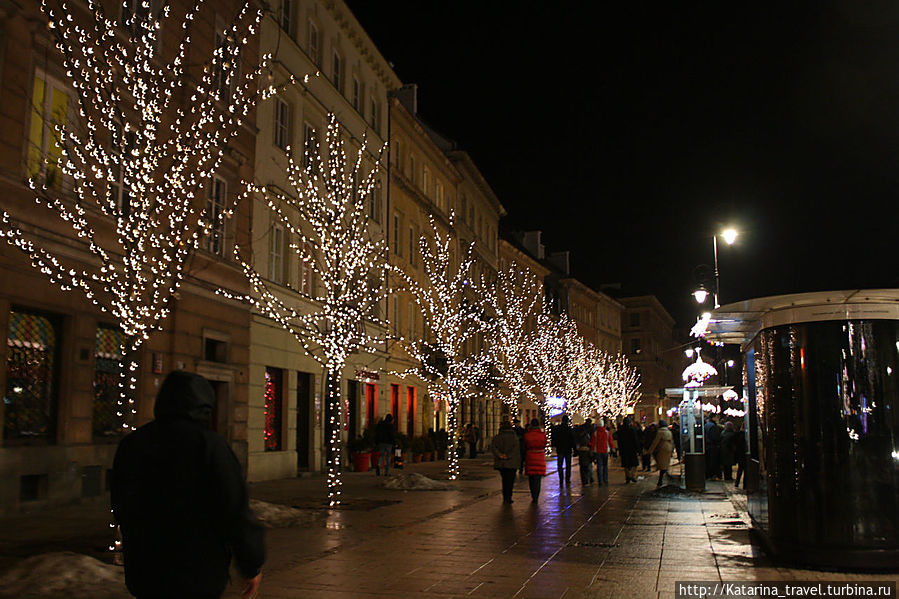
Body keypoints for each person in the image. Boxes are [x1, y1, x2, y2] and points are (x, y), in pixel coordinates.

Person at [111, 371, 264, 599]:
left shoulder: (133, 443)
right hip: (198, 569)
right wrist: (251, 564)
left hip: (146, 568)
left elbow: (121, 502)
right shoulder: (210, 446)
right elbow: (235, 509)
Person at [491, 420, 522, 503]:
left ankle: (505, 496)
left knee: (504, 479)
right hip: (512, 462)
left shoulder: (497, 437)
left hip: (501, 463)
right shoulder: (514, 437)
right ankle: (509, 496)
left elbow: (494, 447)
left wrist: (500, 455)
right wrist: (508, 455)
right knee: (510, 480)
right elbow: (515, 449)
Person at [523, 418, 547, 502]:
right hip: (540, 456)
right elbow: (544, 443)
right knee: (538, 478)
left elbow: (525, 445)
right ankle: (536, 495)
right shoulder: (542, 434)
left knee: (531, 477)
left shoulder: (527, 434)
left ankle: (533, 494)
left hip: (530, 456)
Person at [648, 419, 674, 487]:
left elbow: (656, 442)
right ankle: (665, 475)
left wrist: (650, 450)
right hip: (668, 447)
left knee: (662, 463)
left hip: (662, 448)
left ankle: (661, 479)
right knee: (665, 463)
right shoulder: (668, 431)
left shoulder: (660, 432)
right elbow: (672, 441)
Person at [551, 414, 575, 486]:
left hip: (560, 449)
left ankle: (561, 479)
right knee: (568, 465)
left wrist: (555, 444)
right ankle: (567, 479)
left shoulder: (558, 428)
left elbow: (554, 437)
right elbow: (572, 440)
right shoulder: (569, 429)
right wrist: (574, 449)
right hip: (567, 450)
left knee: (560, 465)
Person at [616, 417, 640, 483]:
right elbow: (635, 440)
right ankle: (632, 475)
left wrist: (620, 450)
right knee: (634, 464)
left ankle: (627, 476)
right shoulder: (632, 430)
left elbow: (619, 441)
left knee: (626, 465)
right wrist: (638, 449)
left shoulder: (620, 430)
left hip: (624, 449)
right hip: (632, 449)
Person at [591, 418, 611, 486]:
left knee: (599, 466)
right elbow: (610, 442)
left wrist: (592, 450)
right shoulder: (607, 432)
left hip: (597, 451)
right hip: (605, 451)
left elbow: (593, 443)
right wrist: (612, 448)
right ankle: (605, 479)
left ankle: (600, 481)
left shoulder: (595, 433)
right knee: (605, 466)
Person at [576, 418, 595, 486]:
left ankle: (584, 480)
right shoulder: (591, 428)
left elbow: (577, 438)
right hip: (588, 448)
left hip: (581, 449)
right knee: (588, 464)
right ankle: (590, 478)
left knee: (582, 466)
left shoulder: (581, 428)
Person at [704, 415, 722, 480]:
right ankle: (712, 475)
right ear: (713, 418)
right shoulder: (713, 426)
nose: (717, 419)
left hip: (707, 446)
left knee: (708, 461)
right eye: (717, 417)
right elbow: (715, 437)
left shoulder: (706, 425)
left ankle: (708, 475)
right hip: (712, 446)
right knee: (713, 461)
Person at [734, 421, 747, 487]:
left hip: (739, 455)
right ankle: (745, 484)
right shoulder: (744, 436)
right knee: (745, 469)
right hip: (744, 454)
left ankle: (737, 482)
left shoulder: (737, 434)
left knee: (740, 469)